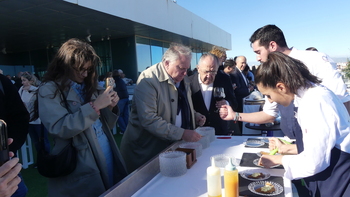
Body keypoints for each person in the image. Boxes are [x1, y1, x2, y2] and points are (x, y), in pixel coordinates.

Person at [221, 52, 350, 197]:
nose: (270, 100)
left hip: (337, 183)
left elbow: (315, 161)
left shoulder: (315, 102)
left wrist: (279, 159)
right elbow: (322, 143)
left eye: (269, 95)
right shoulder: (307, 96)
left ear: (281, 87)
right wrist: (287, 148)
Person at [37, 38, 128, 196]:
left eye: (88, 69)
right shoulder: (49, 90)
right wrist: (95, 106)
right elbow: (59, 128)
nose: (85, 74)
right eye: (80, 69)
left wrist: (111, 106)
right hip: (80, 160)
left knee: (112, 189)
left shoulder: (90, 86)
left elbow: (106, 126)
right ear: (65, 65)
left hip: (105, 148)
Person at [232, 24, 350, 141]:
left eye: (258, 52)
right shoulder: (272, 71)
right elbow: (269, 114)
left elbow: (343, 102)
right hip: (293, 142)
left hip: (328, 144)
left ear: (272, 45)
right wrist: (235, 115)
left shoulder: (316, 60)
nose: (257, 58)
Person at [120, 43, 206, 173]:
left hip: (172, 147)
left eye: (187, 69)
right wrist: (181, 133)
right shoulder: (148, 80)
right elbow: (149, 119)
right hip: (147, 152)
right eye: (181, 68)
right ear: (166, 63)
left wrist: (195, 115)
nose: (185, 73)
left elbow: (181, 105)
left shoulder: (181, 78)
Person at [189, 53, 238, 135]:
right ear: (198, 68)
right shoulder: (189, 82)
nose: (209, 76)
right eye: (206, 71)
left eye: (213, 72)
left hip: (219, 131)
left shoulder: (224, 79)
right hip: (196, 132)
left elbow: (234, 103)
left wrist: (226, 103)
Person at [0, 74, 29, 197]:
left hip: (4, 157)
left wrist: (9, 146)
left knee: (18, 191)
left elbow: (20, 116)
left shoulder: (2, 82)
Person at [18, 72, 50, 160]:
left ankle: (47, 159)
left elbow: (42, 95)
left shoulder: (38, 89)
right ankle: (40, 159)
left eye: (24, 80)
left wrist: (31, 88)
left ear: (31, 81)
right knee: (36, 142)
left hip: (39, 120)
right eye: (22, 80)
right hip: (29, 120)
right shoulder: (21, 89)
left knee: (43, 141)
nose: (22, 83)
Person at [112, 69, 129, 134]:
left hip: (121, 98)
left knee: (118, 115)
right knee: (125, 115)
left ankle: (123, 130)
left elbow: (114, 89)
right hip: (126, 97)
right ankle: (127, 129)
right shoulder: (121, 80)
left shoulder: (115, 81)